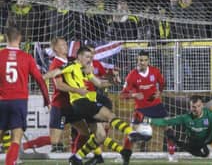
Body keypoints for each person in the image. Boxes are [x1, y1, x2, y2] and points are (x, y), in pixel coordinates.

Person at [43, 46, 148, 165]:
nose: (89, 59)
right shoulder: (71, 65)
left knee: (100, 135)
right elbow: (53, 73)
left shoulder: (84, 71)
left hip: (85, 103)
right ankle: (132, 133)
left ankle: (77, 157)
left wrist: (112, 82)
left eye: (91, 57)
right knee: (109, 115)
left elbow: (99, 83)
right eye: (87, 57)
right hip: (81, 102)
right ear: (79, 56)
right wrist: (41, 78)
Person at [22, 37, 90, 153]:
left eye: (65, 44)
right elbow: (59, 85)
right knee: (54, 140)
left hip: (72, 106)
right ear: (55, 49)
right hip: (60, 107)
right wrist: (77, 90)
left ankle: (75, 156)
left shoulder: (71, 60)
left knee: (85, 132)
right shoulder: (55, 64)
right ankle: (24, 147)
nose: (66, 46)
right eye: (62, 45)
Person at [0, 26, 50, 165]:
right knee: (16, 138)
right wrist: (47, 99)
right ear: (20, 38)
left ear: (5, 38)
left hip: (2, 100)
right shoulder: (26, 57)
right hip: (19, 102)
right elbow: (39, 79)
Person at [120, 50, 177, 162]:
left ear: (148, 61)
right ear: (137, 60)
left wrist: (159, 92)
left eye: (145, 60)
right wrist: (135, 94)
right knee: (132, 133)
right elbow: (122, 95)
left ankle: (171, 155)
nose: (143, 62)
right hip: (141, 109)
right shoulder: (132, 75)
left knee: (169, 128)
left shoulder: (155, 71)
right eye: (141, 60)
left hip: (156, 106)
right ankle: (125, 156)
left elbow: (162, 83)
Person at [145, 95, 212, 163]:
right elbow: (165, 122)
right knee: (202, 154)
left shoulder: (211, 115)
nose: (196, 109)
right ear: (190, 107)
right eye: (193, 107)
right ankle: (175, 146)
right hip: (193, 141)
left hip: (208, 139)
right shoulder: (186, 118)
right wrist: (149, 120)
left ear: (202, 105)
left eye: (198, 106)